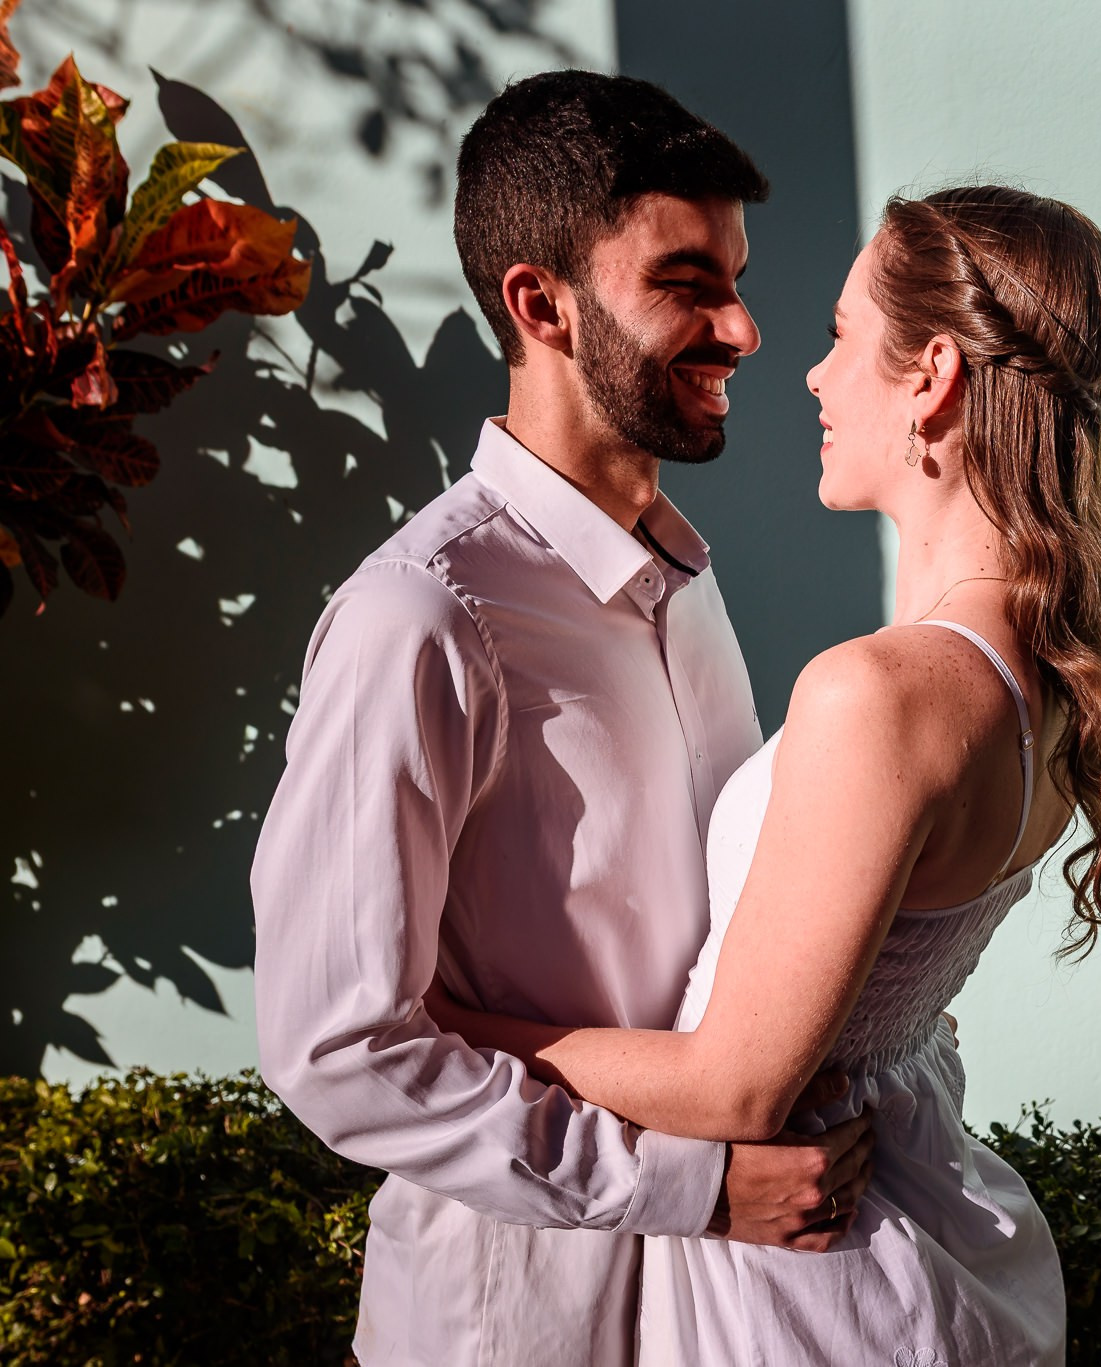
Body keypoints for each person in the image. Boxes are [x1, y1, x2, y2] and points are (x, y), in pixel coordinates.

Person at [424, 184, 1101, 1364]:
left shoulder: (878, 693)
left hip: (807, 1279)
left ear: (931, 376)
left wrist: (448, 1023)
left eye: (838, 333)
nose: (811, 376)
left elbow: (733, 1090)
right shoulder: (1046, 674)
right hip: (916, 1223)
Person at [251, 72, 876, 1367]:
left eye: (736, 279)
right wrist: (690, 1183)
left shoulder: (683, 582)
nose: (743, 329)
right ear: (541, 304)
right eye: (687, 283)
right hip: (511, 1326)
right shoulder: (421, 615)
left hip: (729, 1311)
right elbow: (337, 1043)